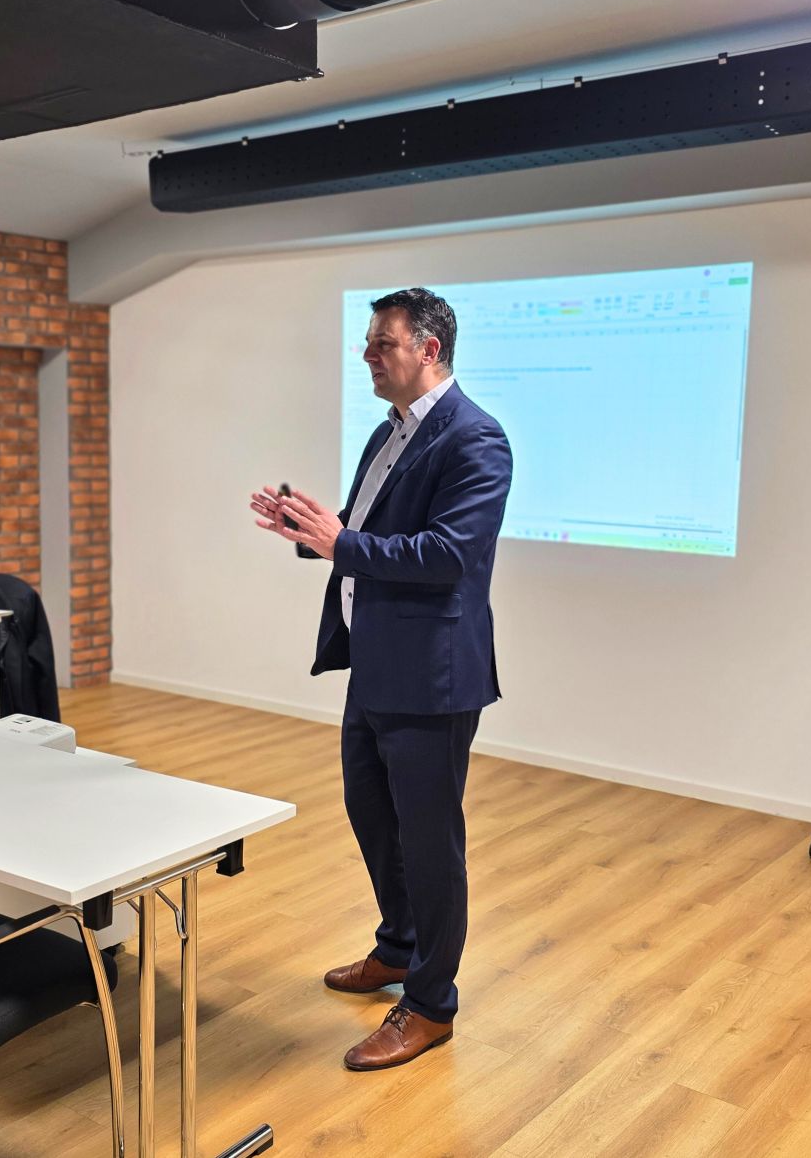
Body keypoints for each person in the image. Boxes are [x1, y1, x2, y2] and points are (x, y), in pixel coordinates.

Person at [250, 287, 512, 1070]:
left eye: (381, 343)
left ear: (428, 349)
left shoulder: (475, 438)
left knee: (430, 844)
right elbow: (362, 535)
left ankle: (430, 1004)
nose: (366, 355)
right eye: (367, 343)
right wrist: (311, 532)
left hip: (430, 678)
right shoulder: (386, 431)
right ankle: (397, 947)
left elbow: (448, 555)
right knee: (373, 818)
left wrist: (340, 543)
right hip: (373, 666)